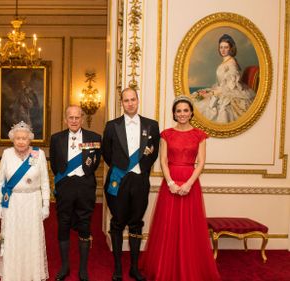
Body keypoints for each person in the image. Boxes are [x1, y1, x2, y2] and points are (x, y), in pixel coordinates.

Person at [141, 95, 221, 281]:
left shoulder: (199, 135)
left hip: (190, 182)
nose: (182, 114)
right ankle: (166, 268)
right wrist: (170, 183)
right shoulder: (166, 134)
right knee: (168, 226)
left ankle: (189, 269)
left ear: (191, 112)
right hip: (170, 183)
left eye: (186, 110)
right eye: (179, 111)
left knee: (189, 228)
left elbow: (201, 162)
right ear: (174, 114)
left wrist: (188, 184)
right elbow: (162, 160)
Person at [102, 87, 160, 281]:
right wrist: (122, 169)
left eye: (133, 99)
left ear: (138, 100)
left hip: (140, 181)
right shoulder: (112, 125)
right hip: (118, 180)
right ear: (122, 103)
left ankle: (134, 268)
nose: (130, 103)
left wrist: (139, 169)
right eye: (126, 100)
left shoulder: (152, 125)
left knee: (136, 223)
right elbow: (107, 153)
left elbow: (154, 153)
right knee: (117, 223)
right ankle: (118, 268)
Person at [49, 105, 102, 281]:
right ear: (65, 119)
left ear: (81, 118)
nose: (73, 121)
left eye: (77, 117)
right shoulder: (56, 139)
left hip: (85, 187)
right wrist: (65, 181)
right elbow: (55, 165)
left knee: (85, 227)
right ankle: (65, 267)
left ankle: (83, 269)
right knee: (63, 226)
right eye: (70, 117)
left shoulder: (94, 138)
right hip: (65, 188)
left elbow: (94, 164)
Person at [0, 121, 50, 281]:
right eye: (17, 138)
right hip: (12, 203)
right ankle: (13, 274)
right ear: (12, 139)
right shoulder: (7, 154)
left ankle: (31, 274)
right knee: (13, 238)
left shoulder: (38, 155)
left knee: (31, 237)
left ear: (30, 140)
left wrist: (45, 204)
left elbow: (45, 182)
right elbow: (0, 181)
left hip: (32, 201)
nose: (20, 141)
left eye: (24, 138)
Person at [192, 33, 256, 123]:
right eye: (221, 47)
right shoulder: (226, 60)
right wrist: (212, 91)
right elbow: (222, 82)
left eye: (226, 47)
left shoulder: (231, 63)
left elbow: (231, 87)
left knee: (212, 108)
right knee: (197, 98)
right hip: (222, 89)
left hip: (230, 93)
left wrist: (213, 93)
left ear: (231, 48)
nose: (223, 50)